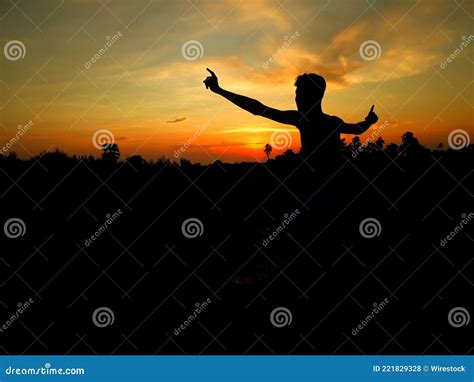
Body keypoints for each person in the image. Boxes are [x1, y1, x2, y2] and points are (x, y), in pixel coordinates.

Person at [203, 69, 378, 164]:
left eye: (300, 93)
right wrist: (368, 121)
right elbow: (357, 129)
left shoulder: (306, 120)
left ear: (315, 96)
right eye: (296, 93)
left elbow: (258, 109)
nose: (297, 98)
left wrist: (219, 90)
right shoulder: (329, 122)